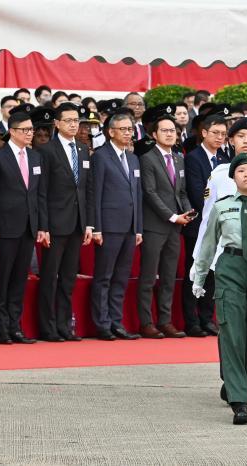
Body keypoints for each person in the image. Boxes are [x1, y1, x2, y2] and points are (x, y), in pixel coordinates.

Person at [193, 153, 247, 425]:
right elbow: (208, 243)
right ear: (233, 177)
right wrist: (199, 275)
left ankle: (242, 378)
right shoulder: (222, 207)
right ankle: (239, 399)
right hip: (230, 266)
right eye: (241, 170)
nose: (246, 175)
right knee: (232, 330)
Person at [0, 112, 41, 344]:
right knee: (2, 278)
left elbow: (39, 195)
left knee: (20, 279)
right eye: (25, 130)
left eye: (31, 130)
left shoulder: (36, 157)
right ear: (13, 131)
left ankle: (15, 327)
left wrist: (41, 226)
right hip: (4, 227)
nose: (30, 134)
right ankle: (1, 329)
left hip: (28, 227)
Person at [36, 102, 91, 342]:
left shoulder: (82, 149)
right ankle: (48, 327)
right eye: (67, 120)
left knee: (68, 278)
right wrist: (43, 226)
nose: (73, 124)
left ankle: (65, 325)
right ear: (57, 123)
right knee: (50, 277)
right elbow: (42, 192)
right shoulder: (46, 150)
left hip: (78, 223)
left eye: (76, 120)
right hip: (55, 224)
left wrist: (89, 224)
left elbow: (86, 189)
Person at [137, 113, 194, 339]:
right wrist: (172, 216)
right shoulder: (148, 159)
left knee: (169, 276)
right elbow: (149, 193)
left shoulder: (179, 158)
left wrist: (188, 211)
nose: (170, 134)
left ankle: (165, 320)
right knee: (149, 277)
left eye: (173, 130)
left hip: (175, 226)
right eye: (165, 130)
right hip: (155, 225)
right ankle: (146, 322)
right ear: (154, 134)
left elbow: (181, 192)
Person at [89, 112, 143, 340]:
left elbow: (137, 194)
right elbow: (95, 193)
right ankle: (102, 323)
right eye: (123, 129)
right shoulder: (101, 156)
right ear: (111, 132)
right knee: (104, 276)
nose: (128, 133)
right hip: (108, 226)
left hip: (130, 227)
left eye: (130, 129)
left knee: (121, 277)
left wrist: (138, 227)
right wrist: (97, 227)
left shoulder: (133, 158)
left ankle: (116, 321)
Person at [182, 115, 229, 337]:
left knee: (212, 273)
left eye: (223, 134)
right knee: (196, 270)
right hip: (199, 224)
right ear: (203, 133)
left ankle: (207, 318)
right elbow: (197, 191)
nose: (219, 138)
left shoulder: (225, 158)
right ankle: (191, 321)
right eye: (215, 133)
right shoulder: (193, 158)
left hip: (221, 227)